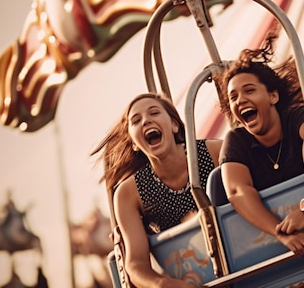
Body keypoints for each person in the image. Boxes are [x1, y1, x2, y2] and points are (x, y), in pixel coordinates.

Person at [217, 34, 304, 257]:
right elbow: (236, 190)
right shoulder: (237, 141)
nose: (240, 100)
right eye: (233, 97)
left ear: (272, 96)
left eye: (249, 91)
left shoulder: (295, 117)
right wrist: (283, 235)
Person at [91, 93, 221, 287]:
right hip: (188, 275)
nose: (146, 121)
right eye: (136, 121)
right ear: (134, 143)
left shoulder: (215, 151)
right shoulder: (130, 193)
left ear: (174, 125)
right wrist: (163, 284)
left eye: (154, 113)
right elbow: (136, 264)